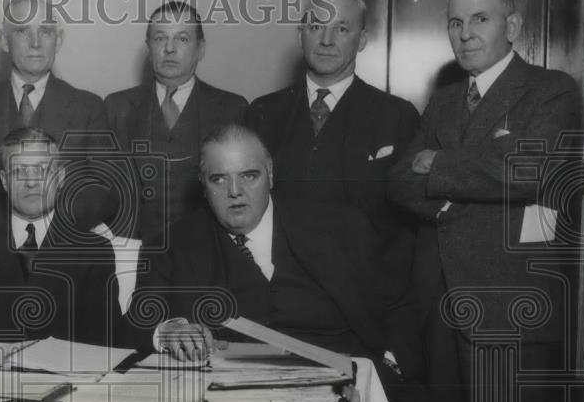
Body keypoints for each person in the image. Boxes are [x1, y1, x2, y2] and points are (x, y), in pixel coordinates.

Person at [387, 0, 582, 402]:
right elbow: (398, 181)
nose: (466, 33)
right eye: (455, 22)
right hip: (442, 312)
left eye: (481, 20)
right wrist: (457, 189)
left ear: (513, 27)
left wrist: (438, 168)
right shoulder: (445, 100)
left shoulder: (552, 90)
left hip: (511, 316)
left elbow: (529, 168)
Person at [128, 123, 421, 372]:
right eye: (219, 179)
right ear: (203, 187)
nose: (234, 191)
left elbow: (400, 306)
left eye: (249, 175)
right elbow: (135, 321)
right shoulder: (173, 243)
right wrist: (167, 330)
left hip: (343, 374)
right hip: (227, 389)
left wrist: (391, 364)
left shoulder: (340, 228)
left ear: (270, 173)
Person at [244, 0, 418, 283]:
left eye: (341, 29)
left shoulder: (398, 116)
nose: (326, 40)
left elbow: (407, 229)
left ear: (362, 39)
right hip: (275, 290)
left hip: (363, 295)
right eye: (316, 26)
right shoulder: (263, 112)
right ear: (300, 35)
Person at [0, 0, 115, 244]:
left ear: (59, 40)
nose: (36, 43)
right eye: (21, 31)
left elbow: (103, 188)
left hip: (62, 257)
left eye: (46, 31)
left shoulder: (88, 108)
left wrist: (56, 232)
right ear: (4, 41)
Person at [0, 128, 123, 346]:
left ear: (61, 178)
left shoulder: (93, 251)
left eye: (42, 171)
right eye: (19, 171)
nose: (31, 182)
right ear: (5, 182)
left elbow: (104, 342)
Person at [105, 1, 247, 243]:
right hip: (135, 252)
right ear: (148, 48)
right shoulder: (116, 107)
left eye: (182, 39)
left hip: (207, 250)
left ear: (200, 48)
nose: (169, 48)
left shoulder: (232, 109)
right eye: (160, 39)